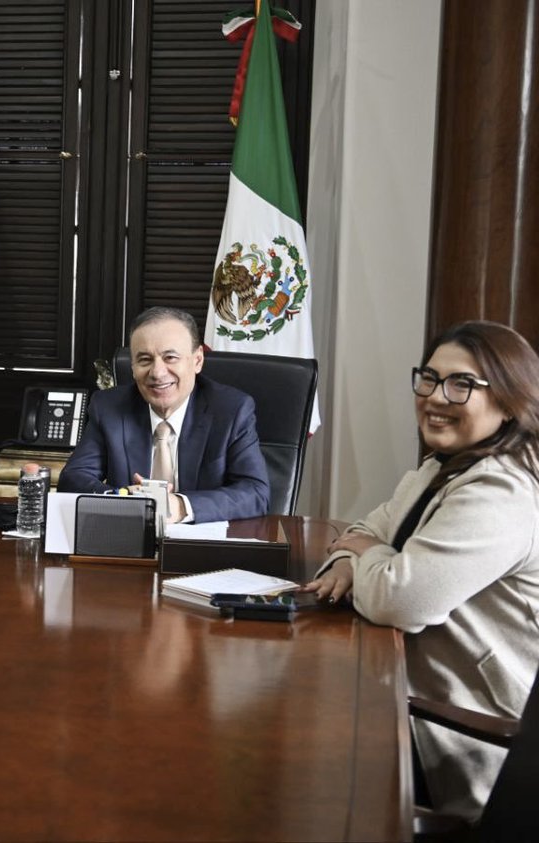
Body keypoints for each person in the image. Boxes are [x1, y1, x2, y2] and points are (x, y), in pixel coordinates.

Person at [303, 320, 539, 821]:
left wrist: (368, 555)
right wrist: (356, 553)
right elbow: (364, 528)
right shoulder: (443, 466)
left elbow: (398, 601)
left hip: (464, 735)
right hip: (403, 693)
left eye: (461, 385)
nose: (435, 396)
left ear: (510, 398)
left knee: (293, 762)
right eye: (428, 378)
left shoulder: (502, 492)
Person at [57, 307, 269, 522]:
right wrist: (122, 499)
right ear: (132, 366)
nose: (157, 373)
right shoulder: (109, 407)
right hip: (126, 542)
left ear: (197, 361)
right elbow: (73, 479)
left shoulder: (231, 409)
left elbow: (255, 493)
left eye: (170, 358)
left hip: (205, 547)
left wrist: (180, 506)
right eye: (145, 360)